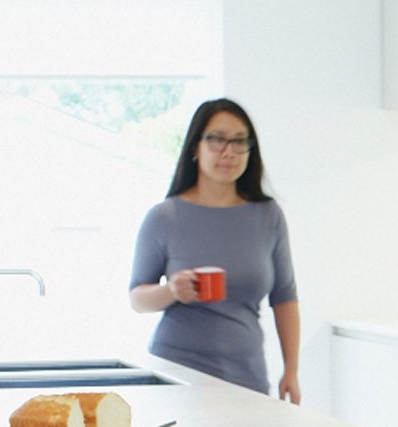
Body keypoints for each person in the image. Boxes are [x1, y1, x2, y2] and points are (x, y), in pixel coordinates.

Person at [129, 98, 301, 401]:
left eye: (239, 141)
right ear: (195, 147)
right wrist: (171, 291)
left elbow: (285, 297)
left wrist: (291, 370)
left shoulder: (268, 215)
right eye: (217, 139)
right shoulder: (164, 217)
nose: (229, 151)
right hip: (177, 376)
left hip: (246, 376)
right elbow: (137, 299)